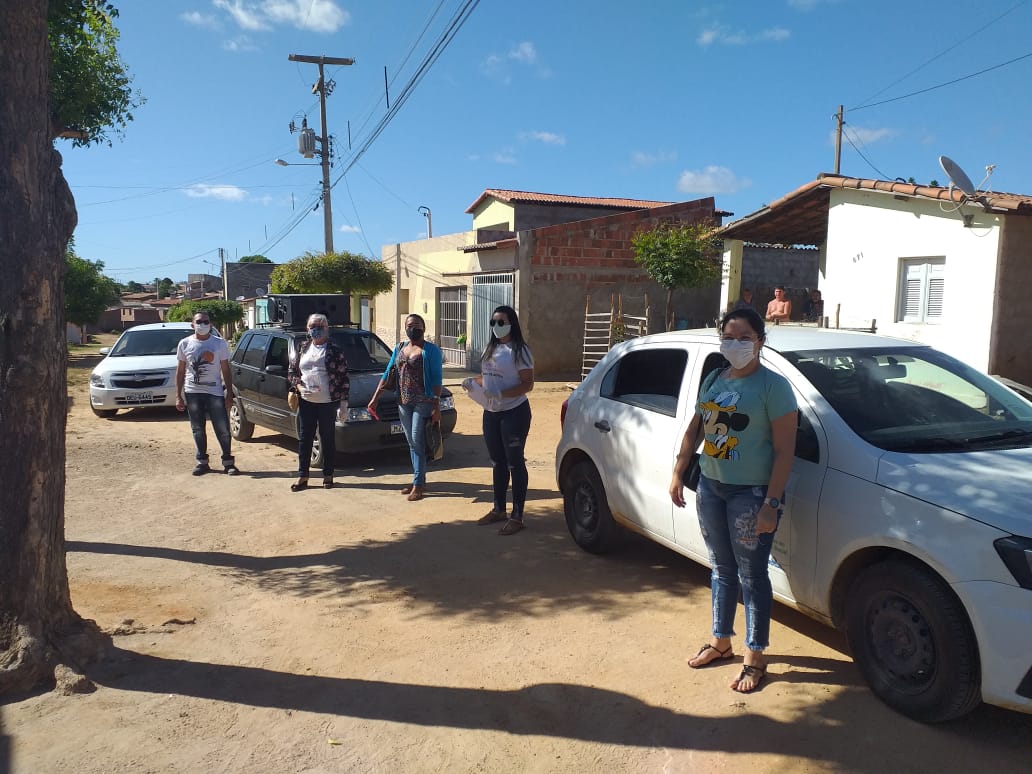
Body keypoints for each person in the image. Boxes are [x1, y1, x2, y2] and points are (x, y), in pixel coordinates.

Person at [669, 308, 797, 693]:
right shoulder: (714, 377)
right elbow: (696, 427)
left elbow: (785, 450)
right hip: (712, 486)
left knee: (753, 575)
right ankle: (720, 641)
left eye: (744, 338)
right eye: (728, 336)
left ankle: (755, 656)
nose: (735, 344)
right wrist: (679, 470)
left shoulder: (774, 387)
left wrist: (771, 504)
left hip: (752, 494)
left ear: (760, 340)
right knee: (721, 569)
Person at [462, 305, 535, 536]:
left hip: (514, 412)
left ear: (512, 323)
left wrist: (503, 394)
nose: (496, 326)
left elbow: (527, 384)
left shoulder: (520, 351)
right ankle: (499, 509)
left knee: (515, 462)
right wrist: (473, 383)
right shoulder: (490, 348)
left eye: (501, 322)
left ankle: (518, 515)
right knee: (497, 462)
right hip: (491, 412)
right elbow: (488, 377)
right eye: (493, 322)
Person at [368, 313, 442, 501]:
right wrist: (376, 397)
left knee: (417, 439)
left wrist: (436, 406)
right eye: (409, 325)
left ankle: (418, 484)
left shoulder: (431, 350)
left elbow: (436, 379)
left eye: (416, 324)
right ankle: (419, 479)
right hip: (403, 401)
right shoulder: (400, 347)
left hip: (422, 401)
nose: (413, 327)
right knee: (411, 441)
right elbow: (388, 372)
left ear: (423, 327)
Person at [287, 314, 350, 491]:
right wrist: (298, 386)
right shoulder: (302, 348)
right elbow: (292, 372)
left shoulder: (334, 350)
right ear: (307, 329)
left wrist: (344, 403)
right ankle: (302, 476)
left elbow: (344, 377)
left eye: (320, 326)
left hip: (327, 401)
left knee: (327, 438)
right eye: (312, 325)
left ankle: (328, 475)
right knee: (305, 438)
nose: (316, 329)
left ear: (327, 329)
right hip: (306, 400)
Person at [175, 311, 239, 476]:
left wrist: (229, 394)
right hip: (192, 391)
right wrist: (178, 395)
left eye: (206, 321)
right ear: (192, 324)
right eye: (199, 321)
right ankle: (202, 462)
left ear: (210, 324)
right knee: (197, 428)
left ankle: (228, 462)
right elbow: (181, 371)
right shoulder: (184, 344)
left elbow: (226, 369)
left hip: (214, 391)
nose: (203, 324)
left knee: (223, 427)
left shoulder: (219, 344)